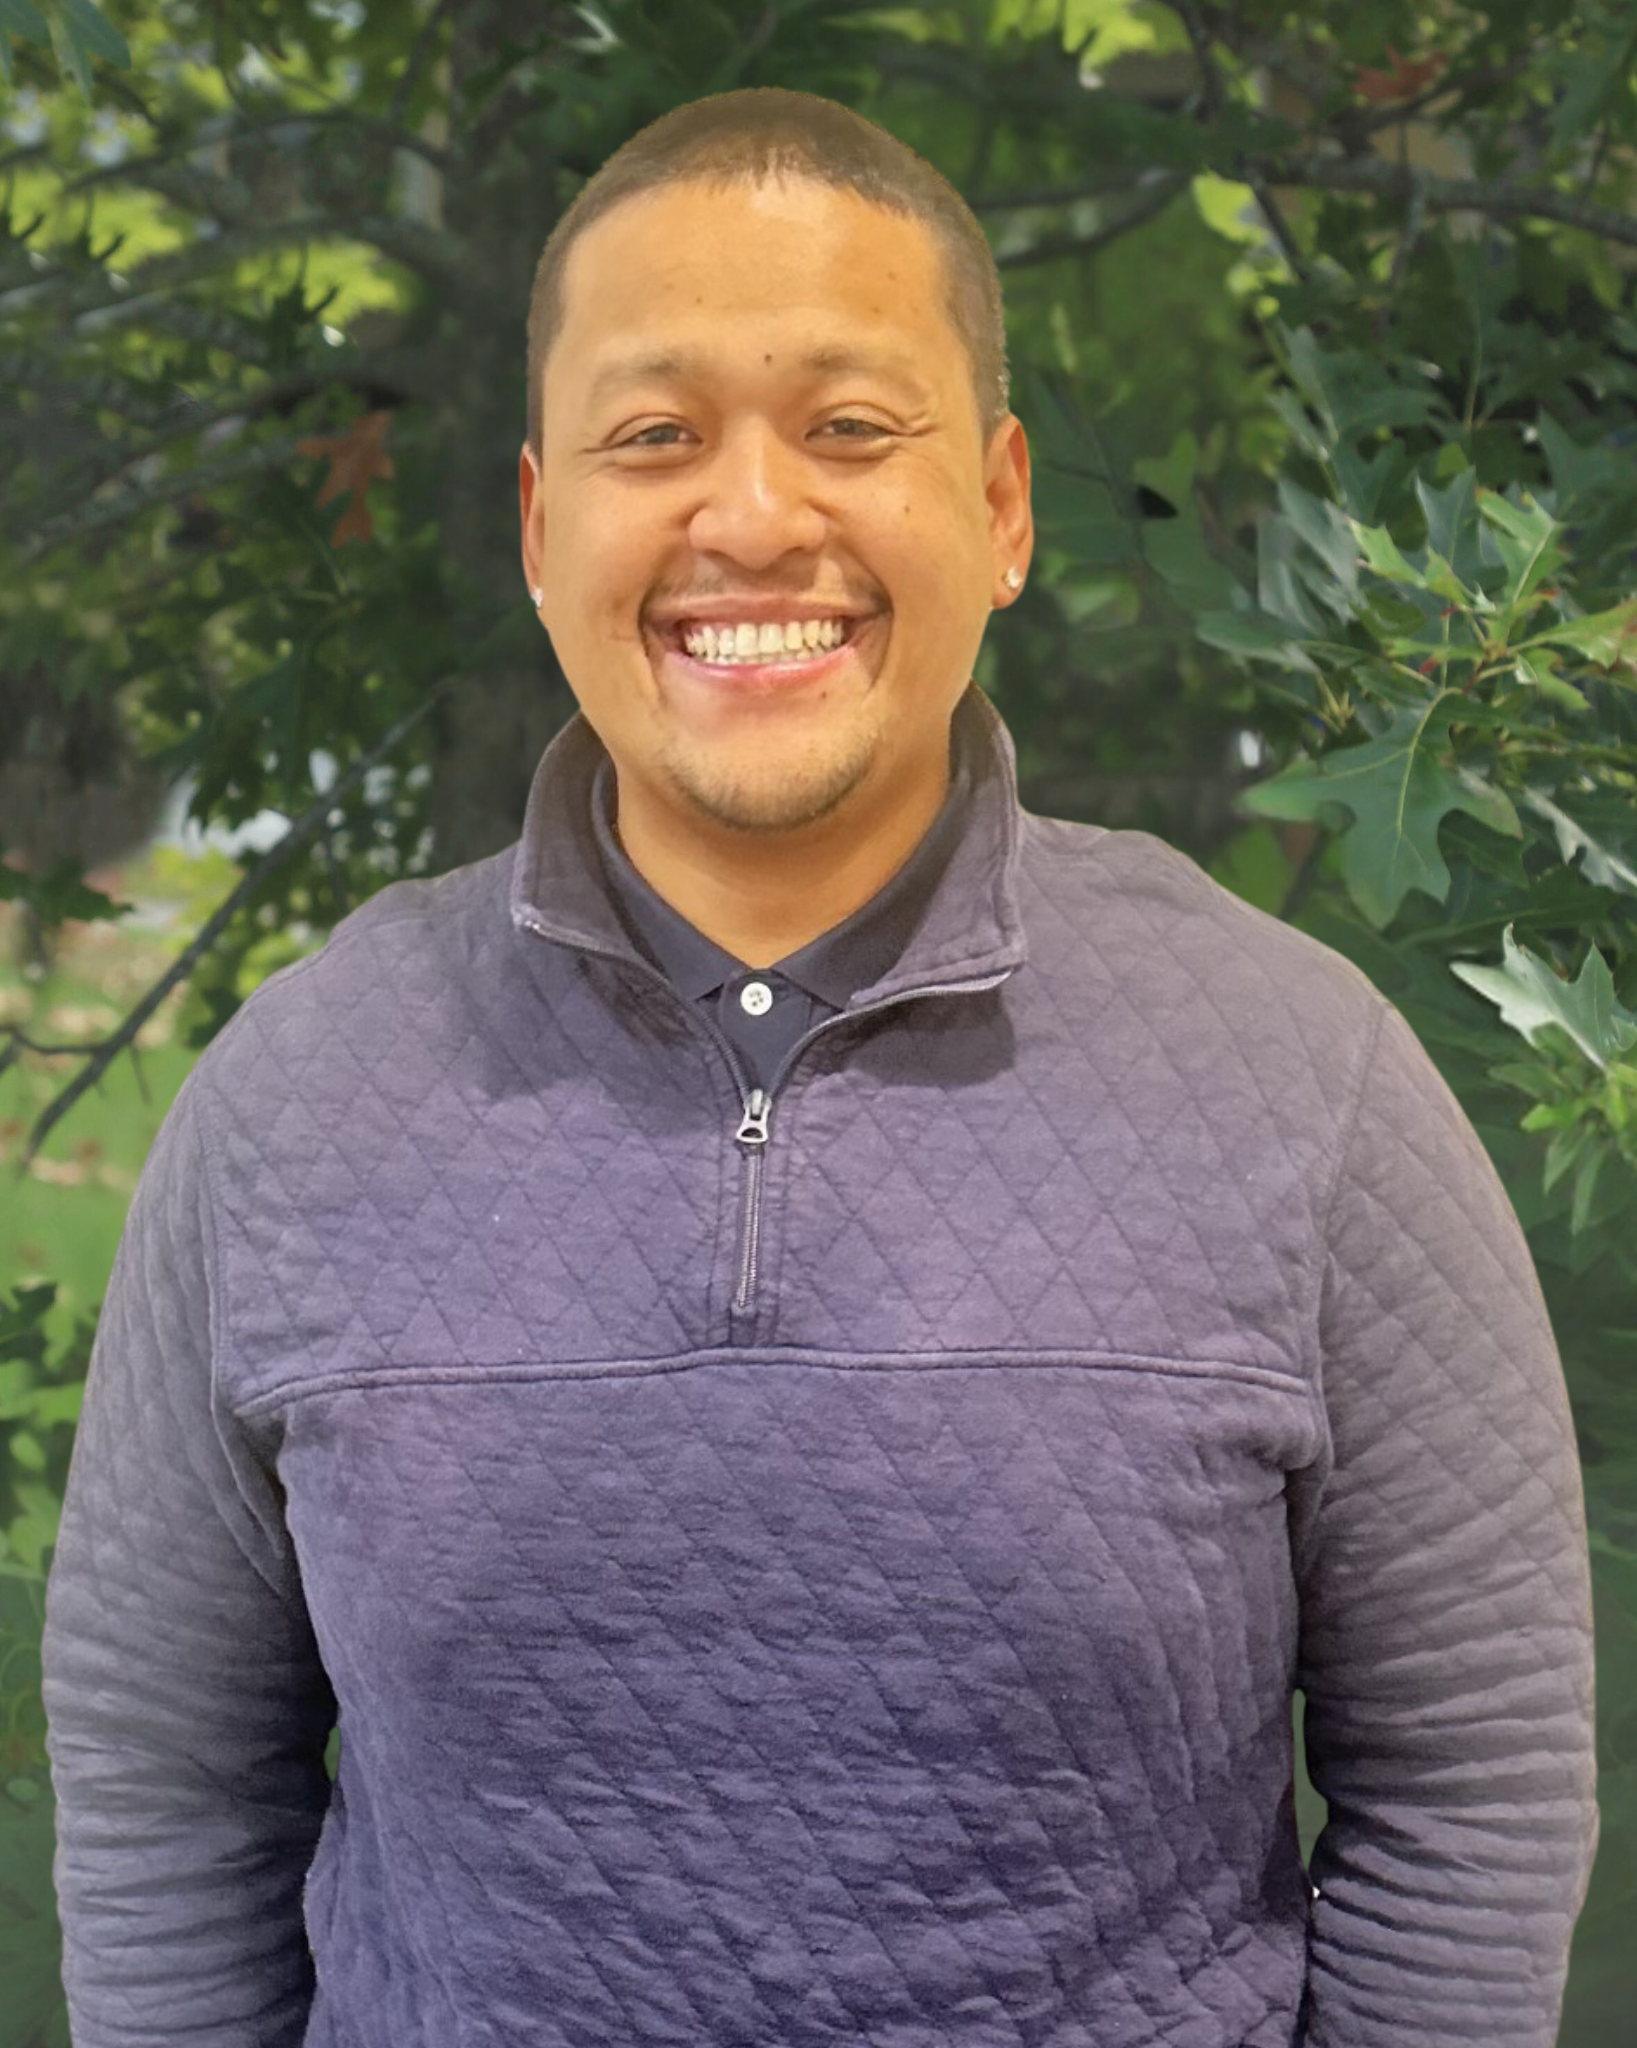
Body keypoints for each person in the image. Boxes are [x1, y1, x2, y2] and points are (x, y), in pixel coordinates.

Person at [43, 85, 1598, 2048]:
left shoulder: (1309, 1090)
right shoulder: (292, 1103)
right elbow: (161, 1776)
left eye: (852, 427)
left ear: (1001, 504)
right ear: (542, 526)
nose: (754, 515)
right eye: (653, 434)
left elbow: (1468, 1782)